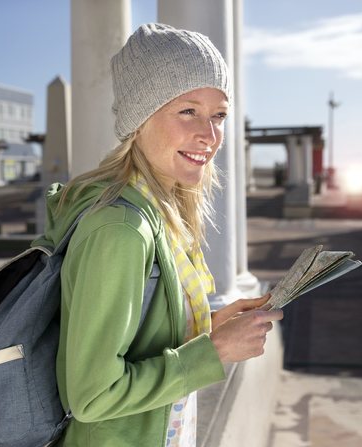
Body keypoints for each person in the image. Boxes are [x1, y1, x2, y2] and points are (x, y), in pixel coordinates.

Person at [39, 23, 283, 446]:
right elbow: (93, 396)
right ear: (140, 117)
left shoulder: (161, 214)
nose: (209, 135)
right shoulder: (120, 230)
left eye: (219, 115)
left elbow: (143, 340)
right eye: (188, 110)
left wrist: (207, 329)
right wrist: (216, 352)